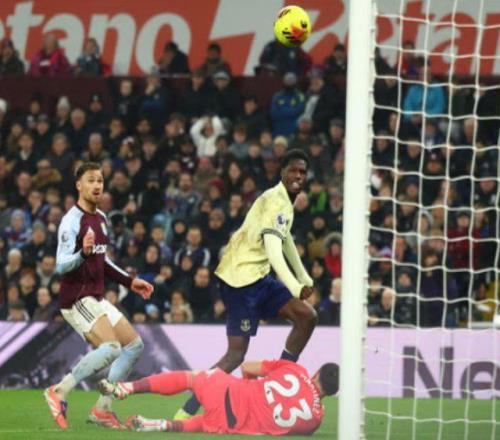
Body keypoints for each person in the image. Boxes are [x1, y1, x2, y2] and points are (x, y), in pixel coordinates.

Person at [175, 149, 317, 420]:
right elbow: (274, 251)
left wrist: (304, 277)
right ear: (282, 172)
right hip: (239, 281)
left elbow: (285, 240)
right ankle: (188, 408)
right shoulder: (275, 202)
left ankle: (277, 383)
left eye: (303, 171)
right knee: (235, 356)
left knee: (307, 316)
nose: (298, 176)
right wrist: (295, 286)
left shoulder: (284, 201)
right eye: (293, 170)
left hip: (259, 278)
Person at [44, 162, 154, 430]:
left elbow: (102, 260)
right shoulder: (71, 221)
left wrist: (130, 281)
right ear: (78, 185)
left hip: (96, 297)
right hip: (77, 298)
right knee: (112, 347)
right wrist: (82, 253)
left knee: (133, 345)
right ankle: (59, 391)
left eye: (100, 181)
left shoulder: (101, 218)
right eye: (91, 180)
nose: (97, 185)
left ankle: (102, 410)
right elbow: (61, 265)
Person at [99, 359, 339, 435]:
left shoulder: (295, 369)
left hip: (229, 391)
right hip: (235, 425)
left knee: (192, 378)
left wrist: (247, 387)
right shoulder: (315, 420)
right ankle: (161, 425)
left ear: (316, 372)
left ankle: (126, 388)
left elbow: (248, 366)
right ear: (333, 392)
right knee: (206, 423)